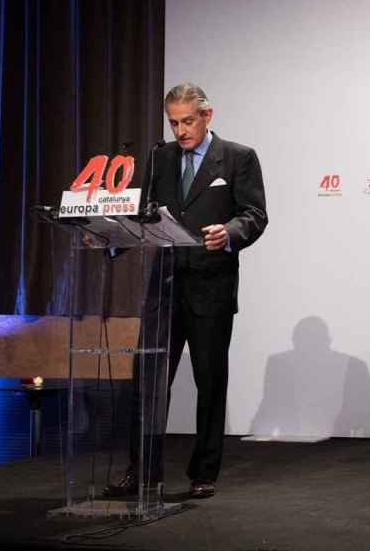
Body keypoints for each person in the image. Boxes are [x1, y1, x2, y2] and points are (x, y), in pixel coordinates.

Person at [107, 83, 268, 498]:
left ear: (207, 115)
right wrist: (110, 236)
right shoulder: (160, 157)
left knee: (209, 382)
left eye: (187, 121)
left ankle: (204, 473)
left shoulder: (238, 157)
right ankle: (143, 470)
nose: (180, 130)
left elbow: (254, 214)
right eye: (174, 122)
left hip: (210, 287)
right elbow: (144, 213)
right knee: (147, 381)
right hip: (163, 285)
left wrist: (229, 232)